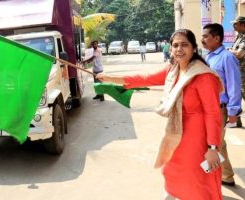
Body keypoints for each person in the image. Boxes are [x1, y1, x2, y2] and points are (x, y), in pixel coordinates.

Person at [97, 29, 223, 199]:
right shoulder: (173, 70)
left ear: (194, 48)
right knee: (174, 171)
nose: (179, 49)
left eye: (184, 45)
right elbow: (144, 78)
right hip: (176, 133)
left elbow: (212, 113)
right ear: (170, 49)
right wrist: (111, 78)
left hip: (197, 138)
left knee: (196, 178)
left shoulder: (203, 76)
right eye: (175, 45)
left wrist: (213, 147)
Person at [202, 23, 242, 187]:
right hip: (208, 108)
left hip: (220, 109)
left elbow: (234, 85)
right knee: (218, 144)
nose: (202, 40)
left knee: (213, 145)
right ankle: (227, 175)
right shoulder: (209, 56)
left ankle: (207, 177)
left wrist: (233, 112)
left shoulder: (227, 57)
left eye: (206, 36)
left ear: (217, 38)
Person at [229, 16, 245, 128]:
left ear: (243, 25)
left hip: (243, 71)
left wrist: (229, 51)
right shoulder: (239, 36)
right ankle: (236, 121)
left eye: (236, 24)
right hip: (237, 70)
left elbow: (239, 54)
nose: (234, 26)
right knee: (235, 95)